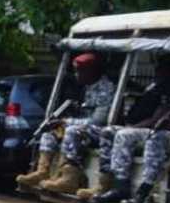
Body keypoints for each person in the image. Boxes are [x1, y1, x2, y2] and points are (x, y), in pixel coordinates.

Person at [86, 54, 170, 203]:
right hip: (142, 128)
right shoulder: (156, 86)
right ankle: (110, 182)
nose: (158, 70)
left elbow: (157, 120)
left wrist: (132, 127)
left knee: (124, 135)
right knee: (107, 132)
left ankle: (141, 191)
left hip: (163, 131)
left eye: (163, 67)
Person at [16, 52, 115, 193]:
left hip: (102, 131)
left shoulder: (106, 88)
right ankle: (42, 171)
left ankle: (70, 179)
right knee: (51, 132)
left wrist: (66, 121)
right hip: (85, 129)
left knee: (72, 130)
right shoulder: (88, 87)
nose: (76, 75)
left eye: (79, 71)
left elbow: (98, 120)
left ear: (92, 71)